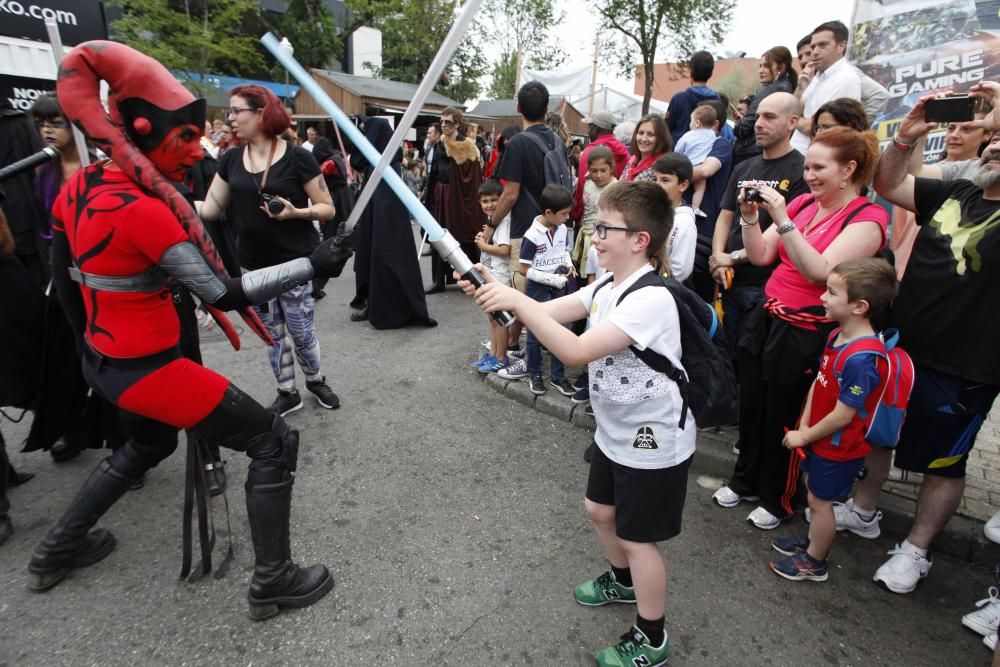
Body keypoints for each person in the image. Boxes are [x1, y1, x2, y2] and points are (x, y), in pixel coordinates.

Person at [34, 40, 348, 619]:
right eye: (185, 140)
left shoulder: (79, 186)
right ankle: (273, 580)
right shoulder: (145, 208)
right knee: (273, 440)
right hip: (150, 369)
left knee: (149, 443)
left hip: (103, 361)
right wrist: (314, 264)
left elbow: (65, 281)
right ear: (147, 134)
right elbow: (222, 293)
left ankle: (56, 548)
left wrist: (91, 349)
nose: (198, 150)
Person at [461, 181, 692, 667]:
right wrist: (491, 288)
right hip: (615, 428)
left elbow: (574, 349)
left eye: (604, 228)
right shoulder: (609, 284)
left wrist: (516, 301)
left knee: (637, 537)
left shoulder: (650, 298)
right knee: (598, 509)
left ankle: (652, 637)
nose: (596, 236)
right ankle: (622, 581)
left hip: (652, 437)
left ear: (639, 240)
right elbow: (545, 314)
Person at [845, 83, 1000, 595]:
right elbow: (889, 184)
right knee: (878, 430)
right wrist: (905, 139)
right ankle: (865, 509)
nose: (993, 143)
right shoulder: (961, 190)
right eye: (992, 139)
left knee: (942, 460)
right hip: (904, 347)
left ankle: (916, 549)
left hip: (967, 364)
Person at [713, 126, 888, 530]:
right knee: (754, 405)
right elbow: (759, 255)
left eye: (818, 167)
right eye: (807, 166)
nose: (808, 175)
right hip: (768, 315)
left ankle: (778, 499)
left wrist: (782, 216)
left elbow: (819, 271)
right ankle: (745, 481)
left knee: (787, 415)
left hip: (808, 328)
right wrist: (749, 216)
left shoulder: (868, 218)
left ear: (849, 169)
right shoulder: (806, 203)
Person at [201, 84, 338, 417]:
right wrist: (163, 200)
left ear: (261, 113)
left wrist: (296, 212)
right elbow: (209, 210)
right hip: (253, 268)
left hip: (296, 264)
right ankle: (287, 392)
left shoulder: (298, 157)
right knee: (271, 335)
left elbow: (327, 207)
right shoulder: (230, 159)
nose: (229, 118)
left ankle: (315, 379)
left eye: (236, 111)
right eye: (229, 112)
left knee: (301, 331)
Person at [770, 258, 897, 581]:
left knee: (820, 502)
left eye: (832, 293)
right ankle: (815, 539)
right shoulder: (837, 336)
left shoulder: (862, 359)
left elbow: (844, 414)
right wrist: (806, 424)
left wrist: (806, 435)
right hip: (819, 437)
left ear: (859, 306)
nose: (822, 298)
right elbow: (821, 380)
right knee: (814, 490)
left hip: (839, 446)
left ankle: (815, 560)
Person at [489, 81, 561, 363]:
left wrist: (492, 224)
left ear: (518, 107)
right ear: (547, 109)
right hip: (554, 228)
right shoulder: (557, 140)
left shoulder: (518, 142)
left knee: (524, 295)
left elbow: (510, 194)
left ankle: (528, 358)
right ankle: (530, 346)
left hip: (526, 231)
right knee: (546, 293)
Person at [348, 117, 436, 329]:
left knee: (386, 257)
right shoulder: (375, 164)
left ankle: (390, 308)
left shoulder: (389, 167)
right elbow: (356, 161)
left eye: (367, 133)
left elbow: (387, 206)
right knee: (370, 256)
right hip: (373, 215)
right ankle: (372, 302)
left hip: (386, 221)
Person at [502, 184, 576, 397]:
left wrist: (568, 263)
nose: (568, 217)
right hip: (539, 287)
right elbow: (524, 269)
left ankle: (558, 377)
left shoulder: (561, 227)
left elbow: (562, 250)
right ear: (548, 213)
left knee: (560, 330)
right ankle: (534, 373)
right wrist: (553, 278)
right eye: (564, 213)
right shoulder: (531, 235)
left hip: (558, 284)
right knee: (535, 332)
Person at [424, 106, 483, 294]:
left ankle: (471, 278)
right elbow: (434, 172)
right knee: (437, 235)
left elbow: (472, 180)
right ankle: (438, 280)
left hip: (459, 199)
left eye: (448, 122)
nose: (444, 125)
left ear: (457, 123)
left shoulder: (467, 147)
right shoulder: (439, 142)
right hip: (441, 194)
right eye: (442, 122)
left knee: (461, 236)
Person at [793, 21, 862, 154]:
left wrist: (791, 119)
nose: (815, 52)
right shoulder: (817, 77)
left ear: (841, 46)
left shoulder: (846, 79)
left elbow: (811, 127)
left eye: (823, 45)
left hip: (817, 159)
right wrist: (801, 88)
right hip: (800, 155)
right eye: (813, 47)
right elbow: (792, 108)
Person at [471, 178, 512, 372]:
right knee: (492, 318)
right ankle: (494, 353)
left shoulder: (503, 220)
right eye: (485, 201)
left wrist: (483, 245)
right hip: (490, 275)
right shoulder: (492, 222)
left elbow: (504, 249)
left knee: (500, 319)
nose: (490, 205)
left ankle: (501, 357)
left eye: (494, 200)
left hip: (500, 277)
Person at [733, 47, 798, 165]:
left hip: (749, 153)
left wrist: (738, 125)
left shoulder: (772, 90)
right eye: (760, 66)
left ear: (781, 67)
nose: (761, 70)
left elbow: (744, 127)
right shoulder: (785, 87)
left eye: (766, 66)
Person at [571, 111, 630, 224]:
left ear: (595, 129)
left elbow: (582, 190)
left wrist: (577, 217)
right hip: (614, 221)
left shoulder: (590, 153)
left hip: (589, 223)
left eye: (590, 128)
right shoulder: (625, 153)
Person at [573, 145, 618, 280]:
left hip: (601, 241)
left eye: (603, 170)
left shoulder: (616, 188)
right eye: (594, 171)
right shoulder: (588, 181)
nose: (598, 175)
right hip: (584, 236)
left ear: (611, 168)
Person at [651, 153, 697, 282]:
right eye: (655, 179)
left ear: (683, 185)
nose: (657, 185)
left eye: (665, 180)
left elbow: (680, 271)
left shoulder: (684, 222)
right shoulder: (649, 212)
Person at [667, 51, 719, 147]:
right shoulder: (717, 101)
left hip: (677, 155)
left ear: (691, 72)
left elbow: (666, 130)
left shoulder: (678, 99)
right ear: (711, 74)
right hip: (705, 155)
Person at [675, 105, 719, 216]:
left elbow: (678, 148)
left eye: (691, 121)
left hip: (687, 165)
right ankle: (695, 208)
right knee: (700, 189)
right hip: (701, 165)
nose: (690, 123)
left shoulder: (688, 135)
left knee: (680, 187)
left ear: (698, 123)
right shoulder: (712, 134)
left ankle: (677, 206)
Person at [623, 114, 671, 182]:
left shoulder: (660, 168)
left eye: (650, 134)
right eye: (641, 133)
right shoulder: (632, 160)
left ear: (660, 138)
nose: (644, 139)